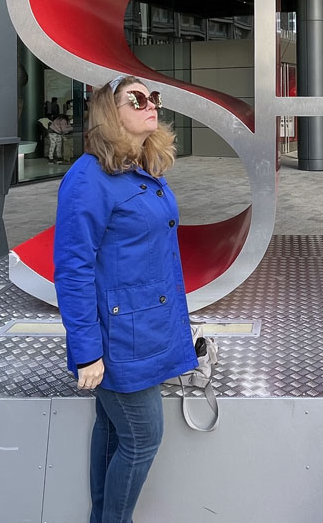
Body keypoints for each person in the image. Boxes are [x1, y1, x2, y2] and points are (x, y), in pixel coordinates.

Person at [53, 75, 197, 523]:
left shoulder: (140, 166)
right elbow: (73, 270)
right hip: (120, 339)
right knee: (143, 437)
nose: (149, 104)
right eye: (136, 99)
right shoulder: (88, 178)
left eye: (153, 97)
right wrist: (87, 353)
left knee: (116, 432)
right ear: (108, 112)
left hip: (146, 329)